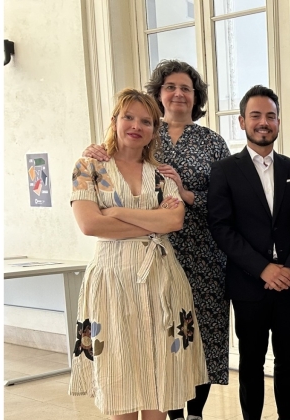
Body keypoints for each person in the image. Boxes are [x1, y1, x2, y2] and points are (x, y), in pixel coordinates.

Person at [84, 59, 231, 420]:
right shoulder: (145, 132)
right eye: (170, 87)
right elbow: (98, 206)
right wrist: (94, 152)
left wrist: (182, 194)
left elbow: (226, 200)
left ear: (196, 97)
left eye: (186, 88)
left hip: (201, 254)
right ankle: (171, 413)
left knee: (196, 336)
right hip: (136, 259)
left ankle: (192, 413)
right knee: (140, 344)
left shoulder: (212, 142)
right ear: (158, 94)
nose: (178, 93)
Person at [207, 85, 290, 420]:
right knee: (252, 363)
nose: (263, 122)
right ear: (242, 121)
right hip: (248, 286)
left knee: (289, 361)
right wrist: (263, 269)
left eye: (270, 116)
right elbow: (221, 228)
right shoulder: (225, 170)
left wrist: (289, 269)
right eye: (255, 115)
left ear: (278, 122)